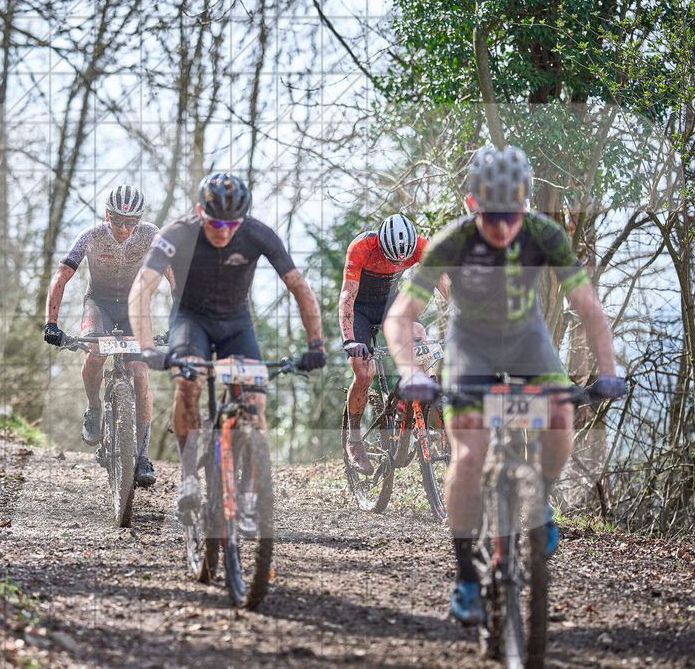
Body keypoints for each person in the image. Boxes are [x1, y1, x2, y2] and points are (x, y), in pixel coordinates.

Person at [382, 145, 627, 625]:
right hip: (469, 351)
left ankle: (541, 497)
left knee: (559, 413)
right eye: (491, 215)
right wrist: (410, 370)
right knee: (469, 457)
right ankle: (466, 578)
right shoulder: (450, 242)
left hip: (526, 344)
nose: (502, 226)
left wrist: (607, 370)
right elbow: (400, 316)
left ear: (526, 203)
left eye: (512, 213)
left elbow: (588, 307)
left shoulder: (544, 234)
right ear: (473, 205)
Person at [129, 172, 326, 520]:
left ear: (243, 218)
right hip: (191, 321)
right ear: (199, 211)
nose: (223, 230)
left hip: (236, 324)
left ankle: (250, 490)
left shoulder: (257, 233)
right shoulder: (177, 233)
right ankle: (189, 476)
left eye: (232, 223)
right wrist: (147, 347)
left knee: (254, 399)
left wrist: (316, 344)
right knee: (188, 383)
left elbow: (299, 287)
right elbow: (141, 290)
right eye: (215, 221)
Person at [43, 185, 172, 487]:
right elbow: (62, 275)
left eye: (132, 222)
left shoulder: (152, 234)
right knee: (95, 353)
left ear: (140, 220)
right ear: (107, 215)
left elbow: (173, 275)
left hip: (134, 306)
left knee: (140, 373)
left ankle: (141, 455)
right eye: (118, 220)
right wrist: (51, 322)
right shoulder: (91, 235)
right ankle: (93, 407)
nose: (125, 228)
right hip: (97, 303)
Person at [338, 213, 448, 472]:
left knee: (420, 335)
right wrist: (349, 341)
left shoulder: (422, 246)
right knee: (364, 373)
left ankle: (408, 403)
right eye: (390, 257)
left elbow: (446, 284)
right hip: (360, 310)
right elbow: (346, 296)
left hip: (391, 305)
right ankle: (354, 439)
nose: (396, 262)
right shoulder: (361, 247)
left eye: (402, 259)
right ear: (380, 244)